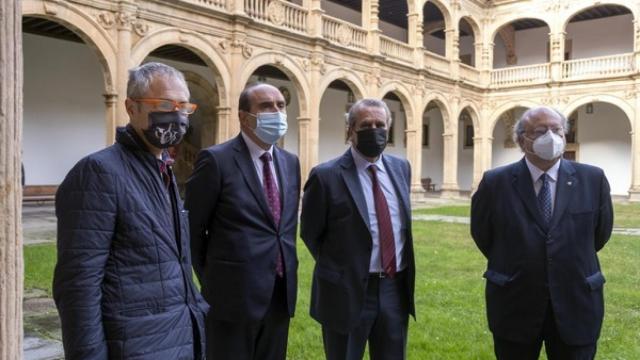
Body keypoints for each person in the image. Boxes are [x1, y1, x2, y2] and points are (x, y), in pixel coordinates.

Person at [53, 62, 208, 359]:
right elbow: (78, 287)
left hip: (175, 338)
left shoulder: (162, 169)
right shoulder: (99, 173)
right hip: (135, 345)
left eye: (183, 106)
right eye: (163, 104)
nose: (175, 115)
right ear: (131, 107)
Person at [471, 106, 613, 360]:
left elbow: (600, 234)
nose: (551, 136)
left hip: (576, 303)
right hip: (515, 303)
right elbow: (483, 234)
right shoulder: (495, 182)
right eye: (540, 131)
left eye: (556, 129)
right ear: (521, 140)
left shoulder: (593, 179)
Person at [185, 83, 301, 360]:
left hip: (280, 293)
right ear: (243, 117)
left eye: (280, 106)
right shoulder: (216, 160)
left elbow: (285, 228)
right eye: (265, 106)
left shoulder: (290, 162)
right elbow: (192, 230)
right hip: (231, 297)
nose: (276, 112)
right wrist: (215, 279)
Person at [300, 98, 415, 360]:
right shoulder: (325, 176)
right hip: (346, 290)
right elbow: (310, 233)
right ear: (350, 131)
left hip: (393, 289)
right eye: (366, 124)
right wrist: (343, 268)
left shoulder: (401, 169)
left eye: (380, 124)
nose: (374, 130)